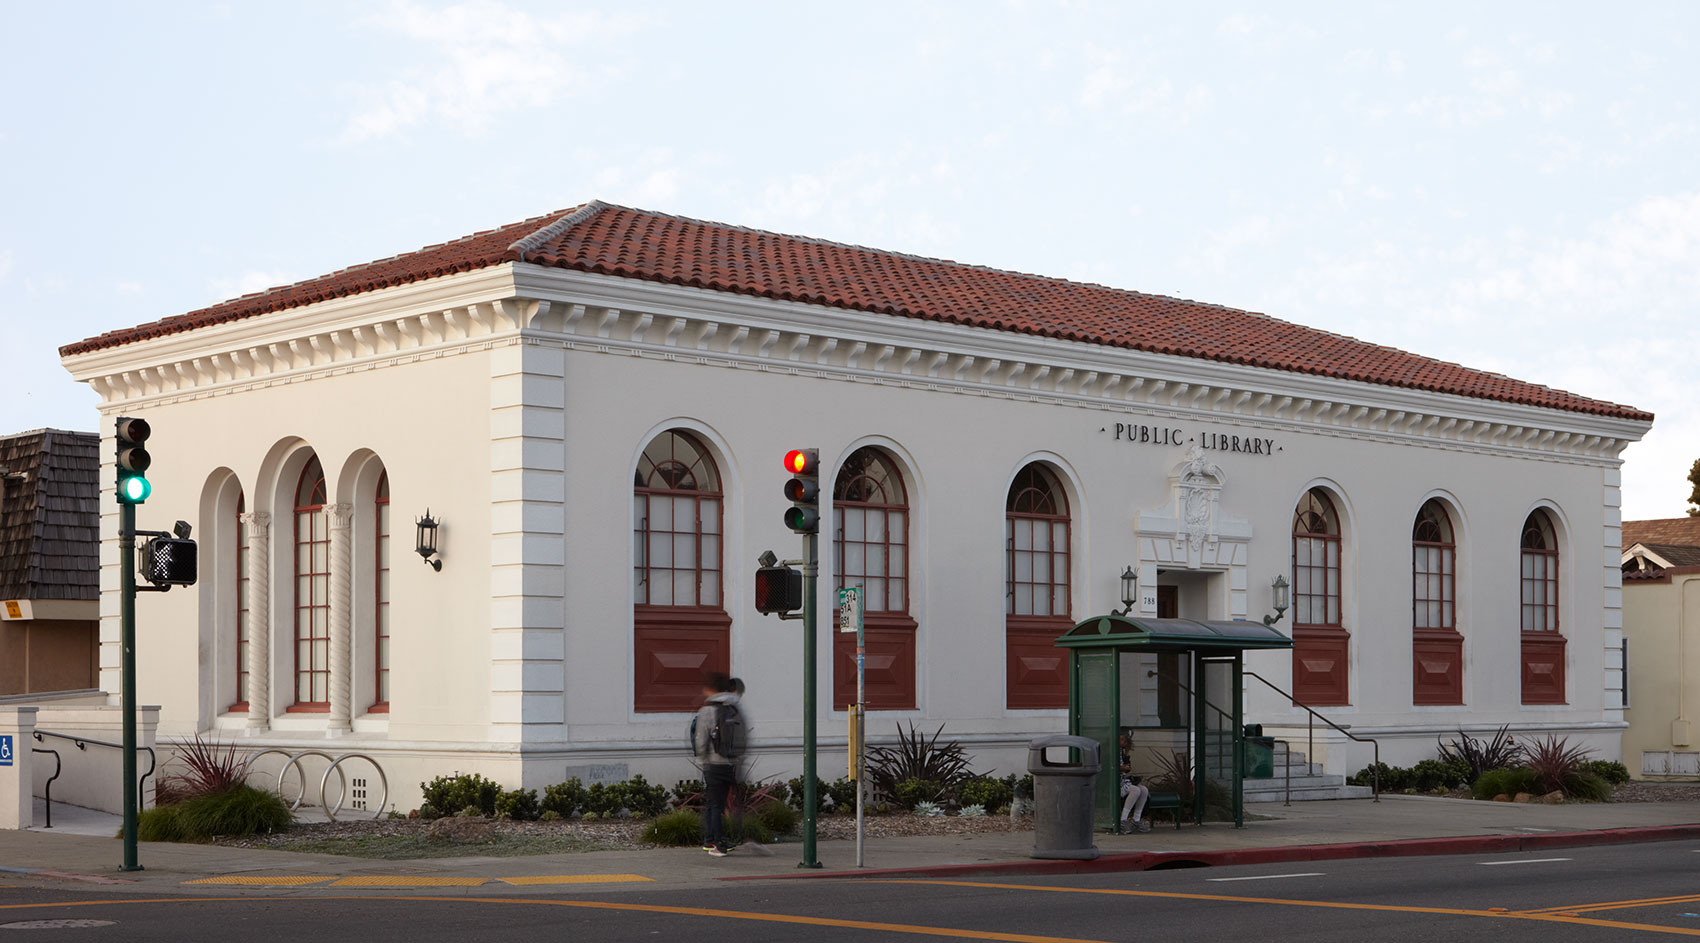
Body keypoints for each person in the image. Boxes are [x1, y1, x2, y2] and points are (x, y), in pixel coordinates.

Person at [694, 672, 742, 856]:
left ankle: (716, 843)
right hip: (729, 762)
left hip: (712, 763)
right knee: (717, 803)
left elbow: (701, 739)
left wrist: (702, 760)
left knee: (714, 804)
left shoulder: (706, 711)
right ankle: (710, 840)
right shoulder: (734, 708)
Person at [1118, 732, 1151, 834]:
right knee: (1135, 790)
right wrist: (1123, 768)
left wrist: (1126, 754)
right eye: (1122, 740)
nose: (1124, 742)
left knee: (1144, 790)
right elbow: (1115, 765)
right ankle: (1123, 820)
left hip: (1123, 779)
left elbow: (1126, 768)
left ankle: (1136, 819)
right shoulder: (1112, 750)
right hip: (1115, 782)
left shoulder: (1122, 752)